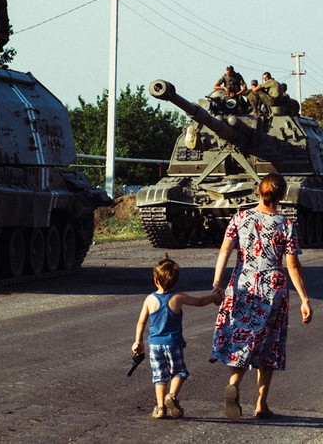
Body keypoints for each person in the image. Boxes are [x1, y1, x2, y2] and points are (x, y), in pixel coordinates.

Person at [209, 173, 312, 421]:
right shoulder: (285, 224)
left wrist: (216, 284)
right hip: (272, 288)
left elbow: (224, 251)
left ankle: (234, 382)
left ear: (258, 191)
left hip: (242, 285)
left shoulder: (240, 217)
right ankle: (261, 404)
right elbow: (293, 266)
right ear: (282, 195)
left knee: (244, 337)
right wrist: (305, 299)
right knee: (269, 344)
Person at [133, 255, 219, 420]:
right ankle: (171, 397)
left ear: (155, 280)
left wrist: (138, 341)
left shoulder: (150, 299)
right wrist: (214, 298)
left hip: (154, 344)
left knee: (159, 375)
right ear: (176, 281)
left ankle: (160, 408)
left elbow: (141, 322)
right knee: (179, 372)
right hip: (173, 344)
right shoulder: (178, 298)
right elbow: (200, 301)